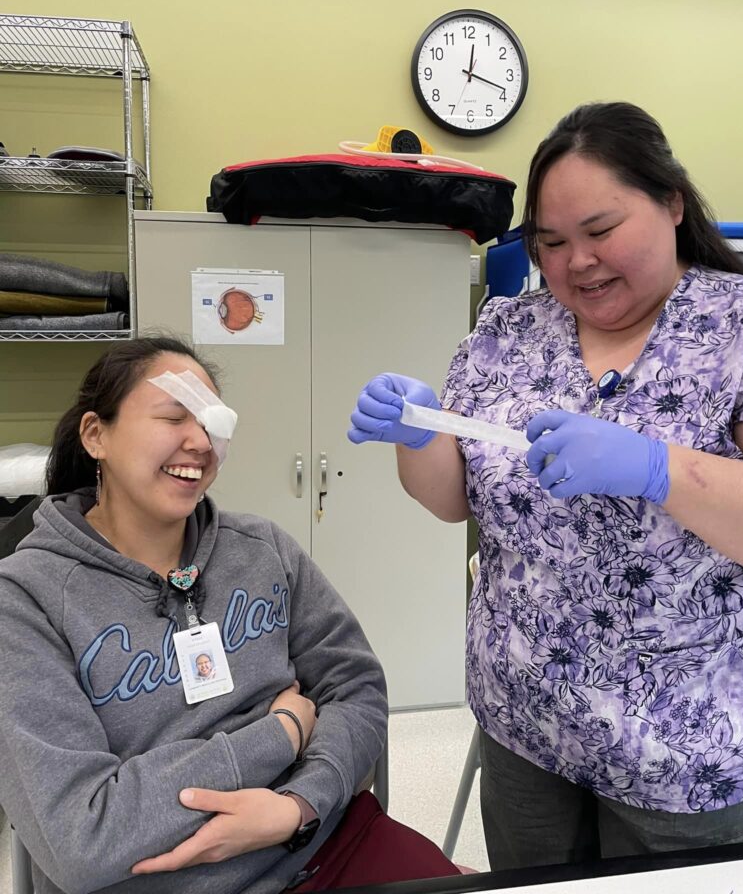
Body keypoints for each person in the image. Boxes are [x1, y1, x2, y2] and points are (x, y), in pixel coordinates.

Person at [349, 102, 743, 869]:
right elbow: (454, 499)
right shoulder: (508, 331)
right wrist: (419, 432)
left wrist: (657, 468)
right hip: (524, 722)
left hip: (684, 751)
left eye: (601, 231)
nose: (578, 262)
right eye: (552, 242)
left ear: (672, 203)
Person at [0, 337, 460, 894]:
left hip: (321, 845)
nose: (200, 442)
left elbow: (356, 687)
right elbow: (81, 836)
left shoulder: (263, 550)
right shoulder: (25, 599)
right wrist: (282, 733)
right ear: (96, 435)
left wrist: (297, 805)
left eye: (213, 424)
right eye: (174, 416)